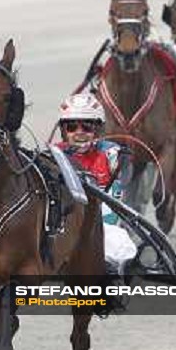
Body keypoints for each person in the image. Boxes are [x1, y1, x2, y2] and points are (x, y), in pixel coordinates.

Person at [54, 92, 137, 273]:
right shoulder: (52, 156)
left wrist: (124, 163)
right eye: (72, 127)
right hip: (62, 229)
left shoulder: (112, 154)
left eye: (87, 126)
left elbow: (127, 179)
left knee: (122, 244)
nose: (79, 132)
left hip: (104, 228)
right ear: (63, 131)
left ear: (98, 129)